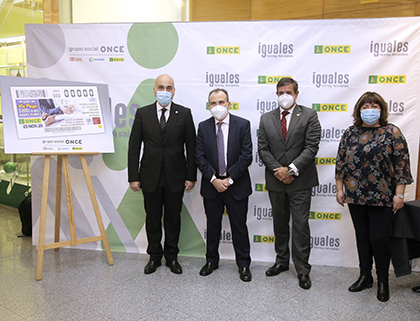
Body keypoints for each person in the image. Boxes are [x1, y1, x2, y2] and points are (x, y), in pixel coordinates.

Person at [335, 91, 413, 302]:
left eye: (374, 106)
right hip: (355, 195)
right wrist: (340, 189)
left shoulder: (392, 132)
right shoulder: (351, 133)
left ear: (381, 109)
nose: (370, 110)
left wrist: (399, 194)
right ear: (359, 110)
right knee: (362, 238)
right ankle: (364, 276)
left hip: (383, 195)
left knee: (379, 239)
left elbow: (402, 166)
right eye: (366, 106)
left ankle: (383, 282)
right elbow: (341, 162)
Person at [128, 74, 196, 275]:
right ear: (154, 90)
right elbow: (134, 148)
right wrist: (133, 176)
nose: (164, 91)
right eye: (161, 87)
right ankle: (154, 257)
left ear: (173, 91)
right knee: (153, 218)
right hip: (150, 177)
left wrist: (190, 176)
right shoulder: (143, 113)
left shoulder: (184, 114)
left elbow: (191, 148)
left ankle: (172, 257)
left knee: (173, 219)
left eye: (168, 88)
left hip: (176, 177)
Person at [258, 77, 321, 289]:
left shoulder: (309, 115)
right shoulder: (266, 118)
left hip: (300, 181)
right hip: (276, 180)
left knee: (301, 225)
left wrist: (291, 170)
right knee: (280, 223)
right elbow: (263, 149)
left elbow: (312, 147)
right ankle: (281, 262)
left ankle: (303, 269)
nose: (284, 96)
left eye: (288, 92)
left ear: (296, 93)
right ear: (276, 94)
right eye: (280, 93)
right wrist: (279, 170)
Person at [196, 88, 253, 282]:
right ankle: (211, 261)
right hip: (212, 186)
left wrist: (228, 180)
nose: (217, 106)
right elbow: (199, 157)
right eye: (213, 103)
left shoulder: (242, 125)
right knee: (212, 226)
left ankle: (244, 265)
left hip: (236, 186)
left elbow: (246, 156)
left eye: (221, 102)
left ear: (229, 104)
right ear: (209, 105)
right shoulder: (203, 127)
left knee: (239, 226)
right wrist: (214, 179)